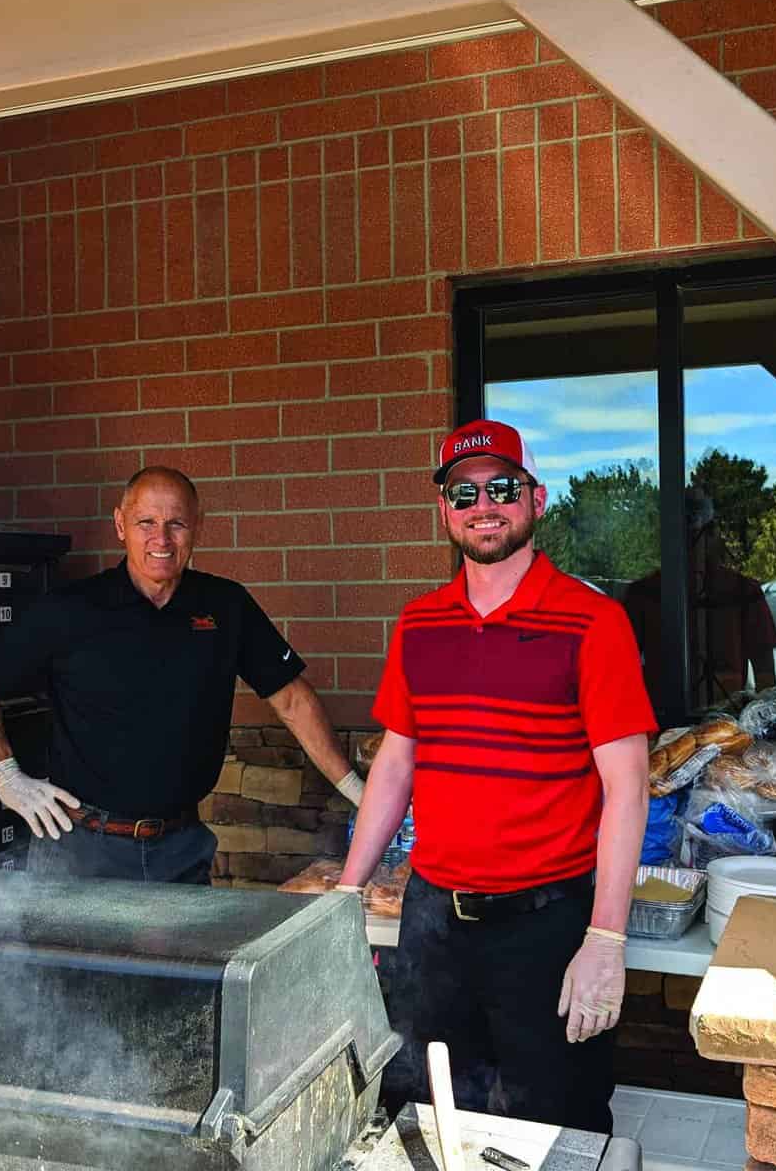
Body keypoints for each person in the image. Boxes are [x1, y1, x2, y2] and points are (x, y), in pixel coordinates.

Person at [339, 419, 655, 1135]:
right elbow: (396, 762)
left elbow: (627, 787)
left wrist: (606, 940)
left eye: (502, 487)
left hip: (545, 926)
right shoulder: (419, 625)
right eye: (463, 492)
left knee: (555, 1122)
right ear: (444, 511)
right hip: (431, 922)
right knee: (424, 1111)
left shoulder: (593, 622)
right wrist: (347, 892)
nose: (483, 504)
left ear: (537, 500)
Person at [0, 465, 364, 884]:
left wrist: (355, 789)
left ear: (197, 528)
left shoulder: (225, 605)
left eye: (176, 524)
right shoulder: (71, 609)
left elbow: (292, 700)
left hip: (181, 849)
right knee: (71, 954)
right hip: (79, 850)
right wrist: (5, 777)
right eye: (145, 522)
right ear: (120, 525)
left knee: (190, 954)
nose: (161, 539)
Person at [623, 491, 776, 716]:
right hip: (661, 727)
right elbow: (622, 671)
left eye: (694, 536)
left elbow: (766, 679)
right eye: (684, 537)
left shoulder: (744, 593)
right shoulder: (643, 594)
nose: (690, 547)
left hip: (726, 725)